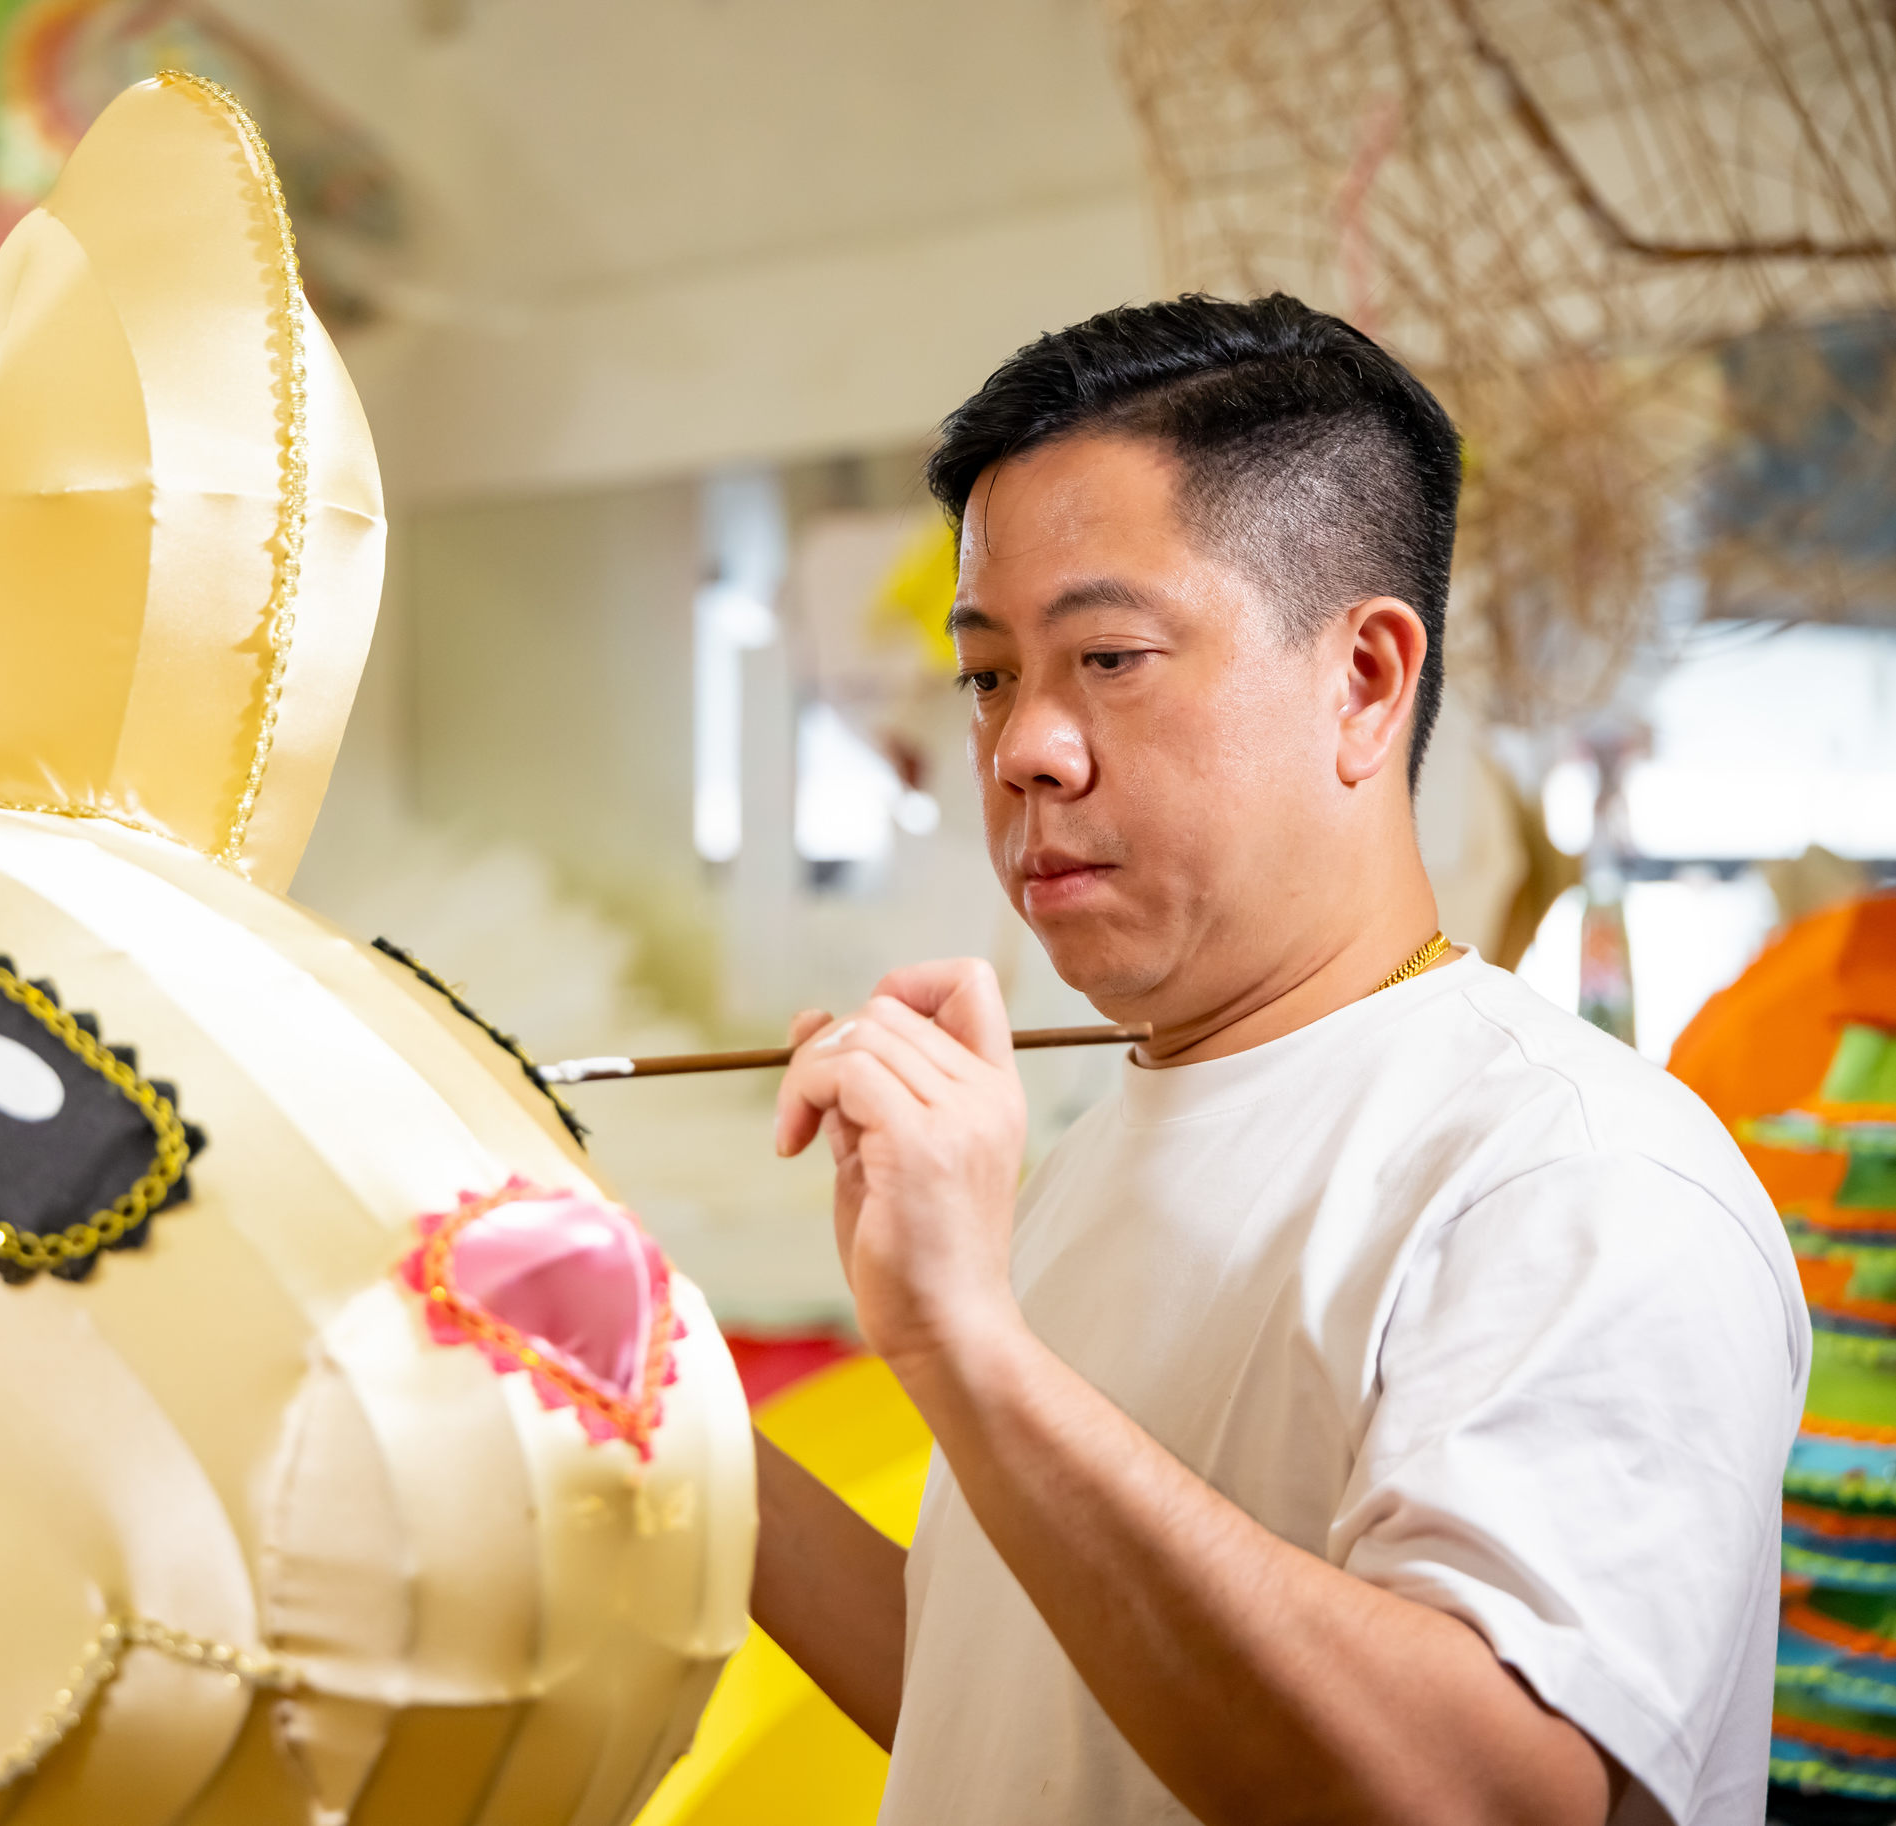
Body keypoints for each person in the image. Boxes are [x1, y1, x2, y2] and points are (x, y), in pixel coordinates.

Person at [758, 293, 1805, 1825]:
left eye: (1106, 655)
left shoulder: (1572, 1173)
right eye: (988, 673)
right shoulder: (1096, 1153)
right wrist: (662, 1401)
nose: (1022, 746)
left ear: (1363, 680)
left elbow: (1478, 1798)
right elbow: (1021, 1697)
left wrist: (968, 1345)